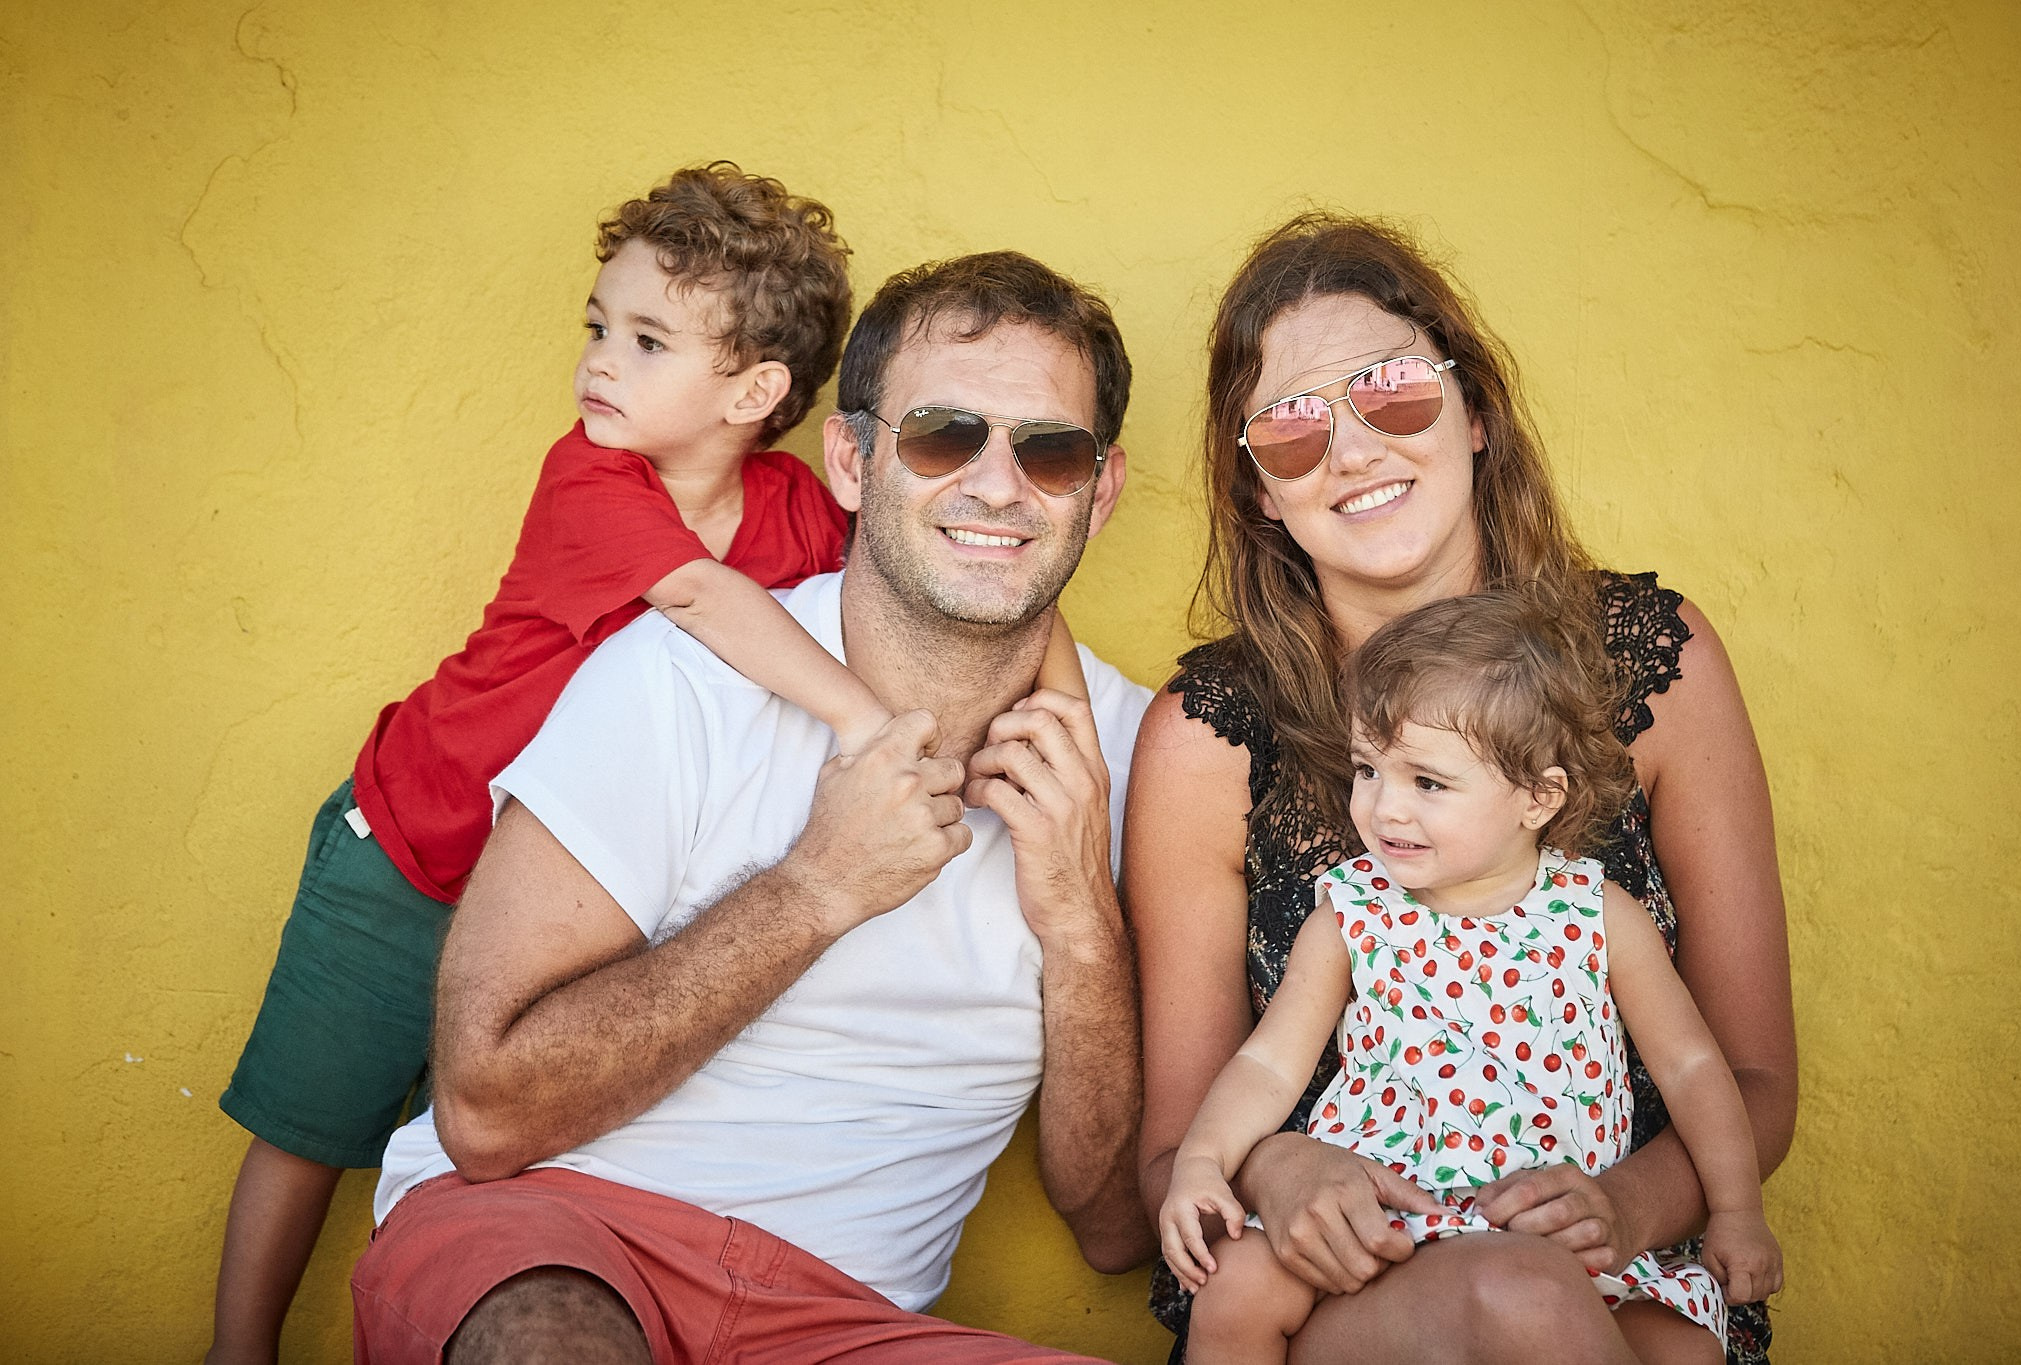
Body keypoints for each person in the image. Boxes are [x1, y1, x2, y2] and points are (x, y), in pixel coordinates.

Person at [349, 250, 1156, 1364]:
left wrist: (1077, 917)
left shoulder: (1138, 757)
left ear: (1099, 490)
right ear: (850, 460)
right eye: (940, 434)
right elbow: (484, 1116)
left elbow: (1116, 1228)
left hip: (847, 1320)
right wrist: (815, 889)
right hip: (556, 1237)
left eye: (1049, 450)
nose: (996, 486)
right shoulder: (674, 678)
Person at [210, 161, 954, 1364]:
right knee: (313, 1121)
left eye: (648, 341)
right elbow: (702, 600)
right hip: (413, 849)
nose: (598, 362)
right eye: (599, 327)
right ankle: (233, 1350)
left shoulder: (790, 511)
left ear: (755, 390)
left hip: (561, 899)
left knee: (457, 1153)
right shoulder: (589, 478)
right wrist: (869, 725)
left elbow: (874, 587)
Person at [1128, 213, 1797, 1365]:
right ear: (1254, 493)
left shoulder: (1653, 659)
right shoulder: (1207, 737)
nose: (1349, 448)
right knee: (1517, 1302)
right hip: (1342, 1291)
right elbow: (1171, 1154)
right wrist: (1277, 1166)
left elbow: (1747, 1081)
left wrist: (1625, 1209)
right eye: (1288, 428)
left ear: (1473, 412)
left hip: (1619, 1266)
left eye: (1390, 390)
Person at [1159, 590, 1783, 1365]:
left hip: (1557, 1233)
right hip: (1382, 1230)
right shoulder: (1355, 913)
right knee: (1237, 1286)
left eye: (1428, 782)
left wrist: (1735, 1210)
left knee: (1687, 1345)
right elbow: (1266, 1062)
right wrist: (1202, 1162)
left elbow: (1694, 1068)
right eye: (1367, 769)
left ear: (1538, 796)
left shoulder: (1598, 915)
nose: (1384, 808)